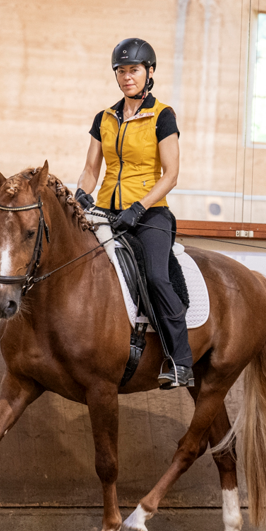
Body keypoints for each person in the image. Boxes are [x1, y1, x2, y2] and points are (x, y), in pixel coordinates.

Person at [72, 37, 193, 389]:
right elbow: (91, 169)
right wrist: (82, 192)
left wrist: (139, 207)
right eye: (121, 71)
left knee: (156, 276)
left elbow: (171, 174)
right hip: (107, 211)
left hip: (150, 213)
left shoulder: (162, 115)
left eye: (134, 70)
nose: (127, 77)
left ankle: (180, 360)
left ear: (149, 72)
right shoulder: (104, 117)